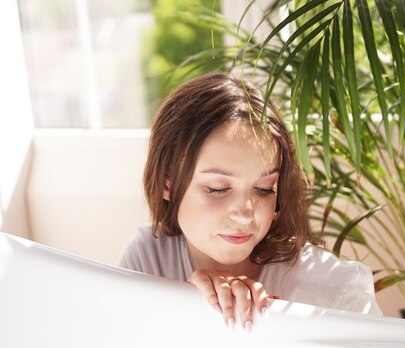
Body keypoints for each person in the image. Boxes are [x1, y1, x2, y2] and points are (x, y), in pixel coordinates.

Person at [119, 73, 382, 333]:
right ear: (168, 183)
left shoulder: (337, 288)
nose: (246, 215)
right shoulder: (147, 260)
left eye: (264, 189)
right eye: (217, 189)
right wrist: (187, 301)